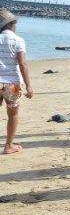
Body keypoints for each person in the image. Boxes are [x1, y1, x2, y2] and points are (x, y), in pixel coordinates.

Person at [0, 10, 33, 154]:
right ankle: (8, 145)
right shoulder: (18, 40)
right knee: (12, 114)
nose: (16, 26)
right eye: (15, 23)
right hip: (12, 84)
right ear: (9, 24)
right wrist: (29, 86)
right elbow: (22, 63)